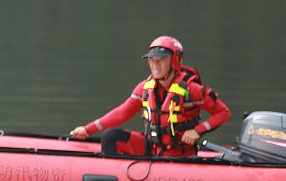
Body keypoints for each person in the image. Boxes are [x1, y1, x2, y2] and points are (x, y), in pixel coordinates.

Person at [69, 35, 230, 157]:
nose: (155, 65)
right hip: (152, 147)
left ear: (175, 61)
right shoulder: (145, 88)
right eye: (152, 60)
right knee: (111, 136)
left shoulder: (192, 90)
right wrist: (88, 129)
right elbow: (122, 113)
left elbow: (223, 113)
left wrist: (197, 131)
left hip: (179, 154)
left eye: (161, 60)